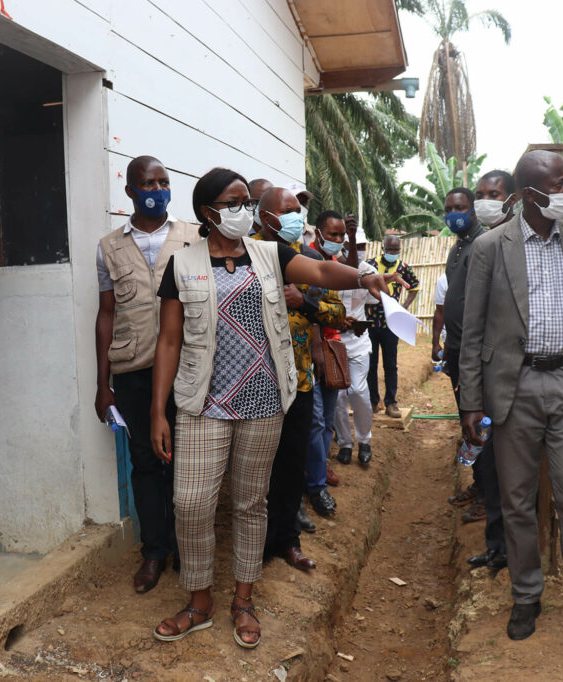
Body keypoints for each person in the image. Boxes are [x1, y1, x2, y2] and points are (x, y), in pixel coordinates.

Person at [148, 169, 404, 648]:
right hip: (202, 404)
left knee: (249, 503)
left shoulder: (269, 254)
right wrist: (158, 412)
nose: (245, 209)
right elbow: (168, 340)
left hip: (264, 401)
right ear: (208, 213)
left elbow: (323, 272)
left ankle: (243, 600)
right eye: (234, 202)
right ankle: (198, 601)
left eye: (248, 200)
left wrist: (367, 275)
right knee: (191, 503)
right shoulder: (181, 265)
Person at [458, 151, 563, 657]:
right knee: (516, 502)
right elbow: (472, 334)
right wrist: (471, 403)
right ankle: (527, 595)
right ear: (531, 194)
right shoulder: (492, 248)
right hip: (514, 387)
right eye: (559, 184)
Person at [94, 155, 201, 594]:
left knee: (187, 461)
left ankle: (187, 548)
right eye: (148, 183)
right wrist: (103, 385)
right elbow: (105, 314)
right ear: (130, 192)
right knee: (144, 462)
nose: (157, 190)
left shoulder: (193, 237)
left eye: (163, 181)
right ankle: (155, 551)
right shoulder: (108, 246)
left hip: (188, 366)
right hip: (134, 370)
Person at [255, 189, 346, 569]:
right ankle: (255, 547)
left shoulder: (308, 261)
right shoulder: (243, 257)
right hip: (255, 384)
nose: (297, 217)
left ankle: (287, 542)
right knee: (257, 472)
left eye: (298, 211)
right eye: (288, 211)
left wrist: (304, 302)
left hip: (299, 382)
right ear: (264, 217)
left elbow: (337, 314)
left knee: (292, 466)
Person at [435, 184, 507, 572]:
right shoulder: (457, 245)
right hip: (459, 353)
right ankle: (480, 487)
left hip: (477, 358)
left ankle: (485, 494)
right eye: (449, 208)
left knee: (480, 427)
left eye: (461, 207)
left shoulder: (485, 243)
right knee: (469, 426)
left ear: (474, 210)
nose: (455, 213)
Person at [304, 211, 350, 516]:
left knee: (327, 419)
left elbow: (332, 309)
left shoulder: (333, 265)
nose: (337, 240)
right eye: (332, 234)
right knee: (316, 420)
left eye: (341, 235)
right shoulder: (306, 261)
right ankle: (316, 487)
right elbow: (309, 311)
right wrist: (318, 346)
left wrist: (344, 321)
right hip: (311, 353)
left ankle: (318, 471)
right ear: (318, 233)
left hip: (333, 348)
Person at [365, 234, 420, 419]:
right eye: (390, 250)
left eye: (396, 250)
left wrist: (404, 307)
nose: (393, 253)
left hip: (391, 324)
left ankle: (391, 403)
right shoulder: (370, 265)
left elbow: (414, 286)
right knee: (371, 365)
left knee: (390, 364)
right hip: (370, 322)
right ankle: (373, 401)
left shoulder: (403, 268)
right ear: (383, 248)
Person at [334, 237, 378, 466]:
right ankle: (345, 443)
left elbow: (374, 300)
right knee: (339, 395)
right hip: (334, 341)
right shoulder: (331, 267)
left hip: (359, 341)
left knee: (358, 390)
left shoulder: (369, 271)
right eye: (353, 245)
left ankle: (364, 440)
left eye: (361, 246)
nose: (357, 250)